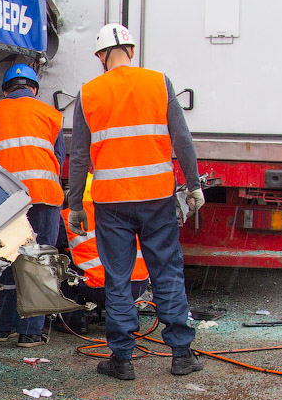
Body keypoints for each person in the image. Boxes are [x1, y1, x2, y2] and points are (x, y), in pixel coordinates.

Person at [68, 23, 204, 381]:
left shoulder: (89, 93)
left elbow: (79, 155)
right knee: (166, 272)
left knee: (118, 278)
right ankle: (181, 354)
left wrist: (76, 205)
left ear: (101, 58)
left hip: (112, 202)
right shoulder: (158, 82)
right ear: (131, 50)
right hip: (157, 197)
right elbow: (182, 139)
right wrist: (193, 185)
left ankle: (122, 359)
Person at [0, 64, 67, 348]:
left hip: (5, 201)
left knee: (7, 260)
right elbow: (60, 158)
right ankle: (30, 332)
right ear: (34, 89)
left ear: (6, 89)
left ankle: (2, 327)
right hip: (44, 198)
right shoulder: (51, 115)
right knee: (37, 262)